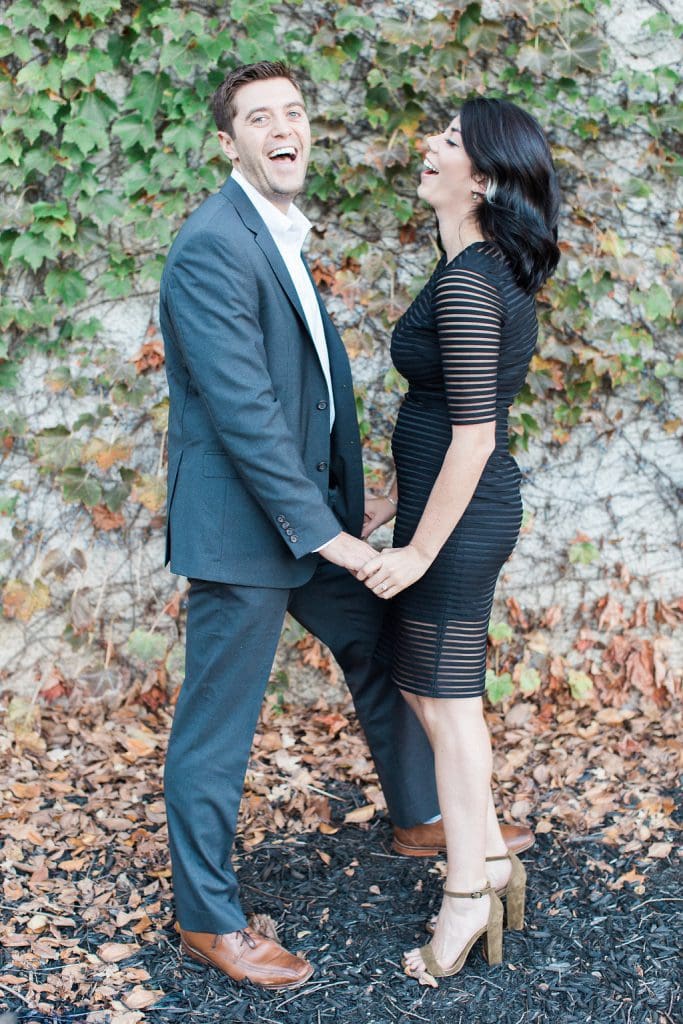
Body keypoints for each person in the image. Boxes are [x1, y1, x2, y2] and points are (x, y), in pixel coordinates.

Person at [159, 63, 533, 991]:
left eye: (293, 111)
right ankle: (208, 920)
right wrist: (335, 539)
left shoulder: (279, 233)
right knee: (219, 725)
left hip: (310, 515)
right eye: (258, 117)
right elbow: (244, 411)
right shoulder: (213, 243)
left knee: (381, 644)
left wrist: (350, 506)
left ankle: (423, 815)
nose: (282, 127)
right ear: (228, 142)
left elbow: (308, 397)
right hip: (245, 530)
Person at [358, 97, 560, 980]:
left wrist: (415, 550)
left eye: (448, 140)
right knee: (436, 701)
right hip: (445, 507)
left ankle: (466, 896)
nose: (428, 147)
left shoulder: (473, 281)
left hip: (463, 520)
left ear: (479, 177)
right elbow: (439, 411)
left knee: (446, 706)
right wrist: (386, 504)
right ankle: (488, 863)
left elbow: (474, 438)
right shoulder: (464, 269)